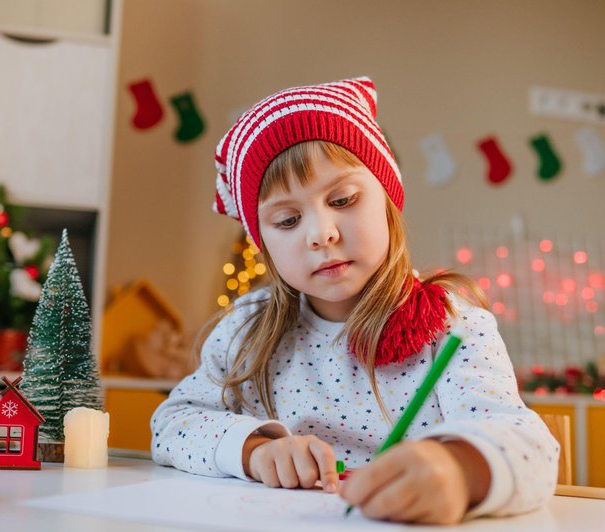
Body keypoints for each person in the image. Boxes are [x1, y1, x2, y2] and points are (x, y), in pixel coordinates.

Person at [150, 77, 558, 524]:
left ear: (388, 201)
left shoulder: (456, 329)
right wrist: (254, 450)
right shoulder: (246, 328)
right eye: (287, 221)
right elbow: (172, 425)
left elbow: (530, 448)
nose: (321, 233)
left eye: (342, 199)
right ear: (263, 242)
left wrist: (460, 470)